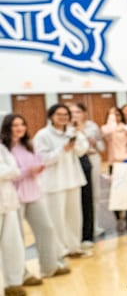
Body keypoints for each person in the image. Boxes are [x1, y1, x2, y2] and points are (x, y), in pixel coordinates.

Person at [2, 115, 70, 279]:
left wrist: (38, 167)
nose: (19, 128)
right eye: (15, 125)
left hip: (33, 193)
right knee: (17, 239)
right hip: (15, 197)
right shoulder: (4, 148)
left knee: (46, 229)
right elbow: (8, 172)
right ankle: (21, 274)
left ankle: (49, 266)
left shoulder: (28, 145)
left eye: (22, 124)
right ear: (7, 128)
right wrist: (27, 171)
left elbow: (38, 161)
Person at [33, 104, 89, 258]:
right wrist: (62, 150)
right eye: (59, 114)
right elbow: (43, 159)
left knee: (74, 217)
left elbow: (82, 150)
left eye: (66, 114)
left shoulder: (72, 132)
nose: (63, 117)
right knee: (56, 219)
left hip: (73, 180)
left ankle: (74, 247)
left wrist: (76, 137)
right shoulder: (42, 135)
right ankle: (58, 251)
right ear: (51, 116)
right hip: (54, 184)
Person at [69, 103, 106, 239]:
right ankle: (79, 227)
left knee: (94, 193)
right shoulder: (67, 127)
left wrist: (94, 142)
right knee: (78, 196)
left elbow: (102, 147)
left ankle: (93, 226)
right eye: (72, 112)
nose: (75, 114)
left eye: (78, 111)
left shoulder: (92, 126)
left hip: (92, 159)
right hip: (75, 162)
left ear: (84, 113)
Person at [0, 143, 27, 296]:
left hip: (8, 201)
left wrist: (9, 170)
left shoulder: (2, 148)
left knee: (12, 244)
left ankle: (14, 283)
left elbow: (16, 169)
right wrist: (9, 170)